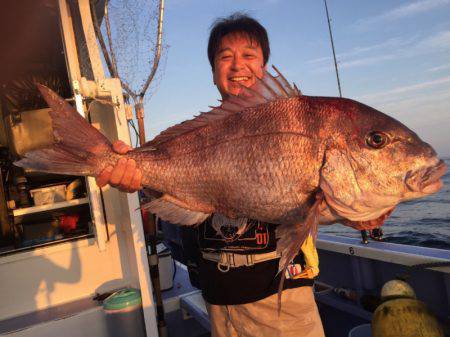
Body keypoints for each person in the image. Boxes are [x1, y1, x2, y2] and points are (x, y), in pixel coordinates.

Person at [96, 13, 325, 337]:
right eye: (225, 56)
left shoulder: (297, 123)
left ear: (264, 66)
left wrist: (366, 212)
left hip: (281, 305)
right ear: (214, 72)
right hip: (218, 304)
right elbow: (168, 195)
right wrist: (134, 177)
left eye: (248, 55)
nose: (237, 65)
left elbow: (328, 204)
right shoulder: (198, 135)